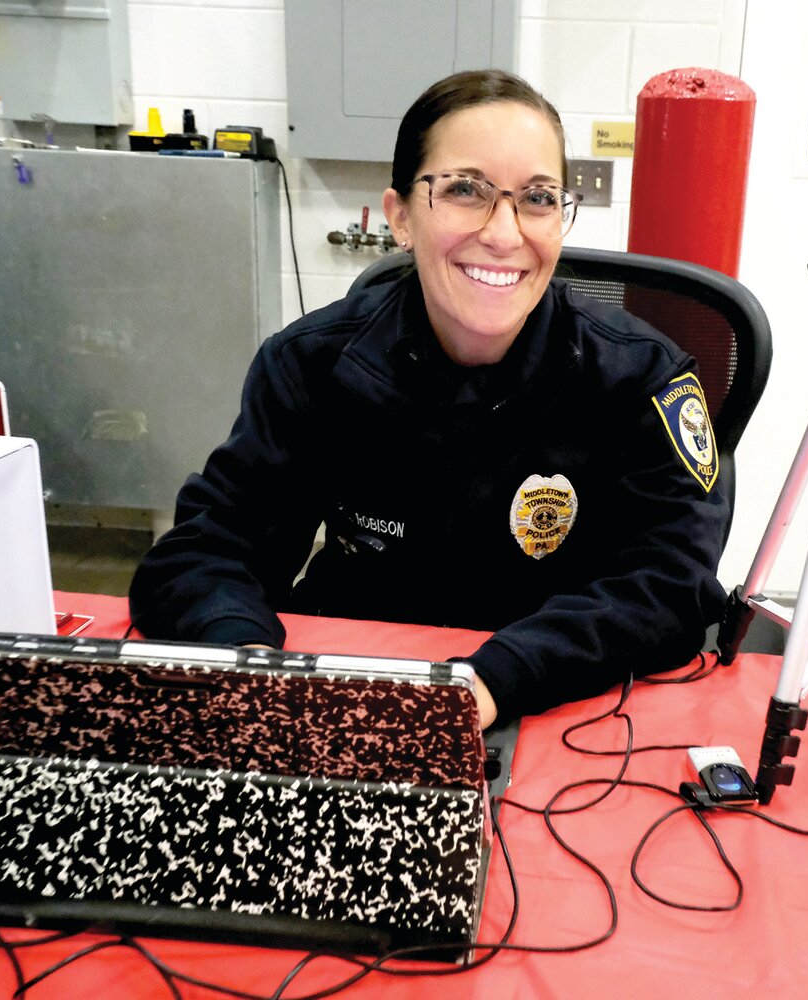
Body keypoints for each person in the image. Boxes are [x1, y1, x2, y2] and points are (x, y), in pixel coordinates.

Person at [129, 70, 733, 728]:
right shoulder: (313, 363)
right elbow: (205, 551)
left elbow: (672, 582)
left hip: (552, 698)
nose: (505, 233)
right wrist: (245, 661)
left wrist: (502, 677)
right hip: (352, 682)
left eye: (537, 198)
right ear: (401, 218)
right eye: (466, 191)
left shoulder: (640, 377)